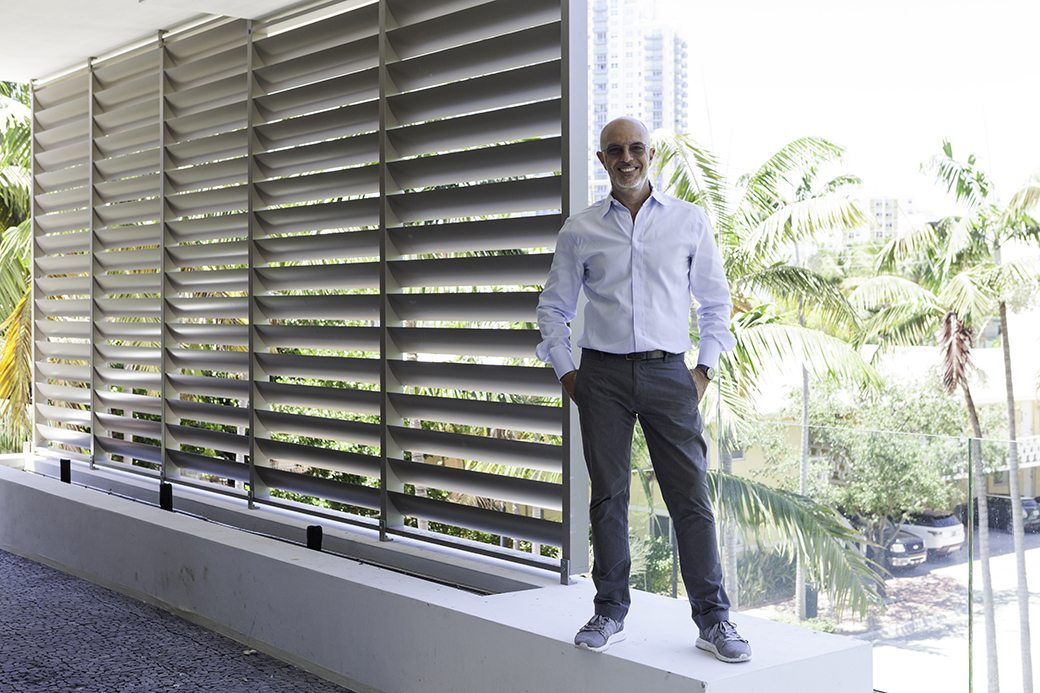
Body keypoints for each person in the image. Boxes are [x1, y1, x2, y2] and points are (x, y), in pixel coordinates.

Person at [535, 117, 751, 663]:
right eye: (615, 150)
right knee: (608, 497)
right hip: (601, 377)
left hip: (670, 375)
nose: (626, 158)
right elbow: (553, 307)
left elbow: (714, 302)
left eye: (635, 148)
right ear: (602, 159)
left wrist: (702, 371)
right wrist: (568, 372)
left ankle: (713, 620)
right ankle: (609, 610)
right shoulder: (580, 228)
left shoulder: (688, 221)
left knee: (690, 498)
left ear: (650, 154)